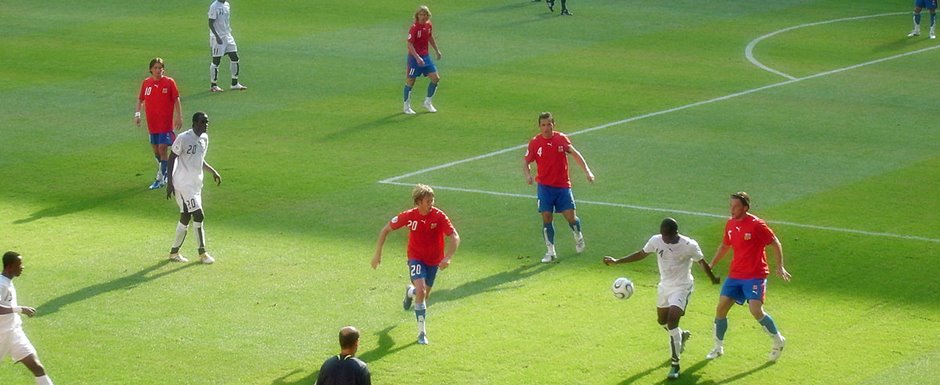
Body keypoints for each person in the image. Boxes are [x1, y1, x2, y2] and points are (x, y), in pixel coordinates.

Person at [603, 218, 720, 380]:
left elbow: (702, 262)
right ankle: (681, 335)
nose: (664, 238)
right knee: (662, 321)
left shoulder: (688, 245)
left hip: (682, 287)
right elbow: (641, 254)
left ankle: (675, 364)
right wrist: (617, 261)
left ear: (675, 233)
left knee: (672, 322)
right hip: (664, 287)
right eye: (663, 235)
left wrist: (712, 278)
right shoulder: (656, 240)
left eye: (667, 235)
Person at [705, 192, 791, 362]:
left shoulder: (756, 224)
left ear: (745, 207)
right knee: (721, 309)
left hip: (755, 275)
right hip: (735, 274)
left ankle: (778, 340)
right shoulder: (730, 224)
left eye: (736, 206)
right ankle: (717, 347)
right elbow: (724, 245)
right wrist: (712, 264)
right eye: (730, 206)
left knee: (755, 310)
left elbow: (775, 242)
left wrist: (779, 265)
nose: (732, 209)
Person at [371, 184, 460, 345]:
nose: (431, 203)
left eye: (432, 199)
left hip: (433, 261)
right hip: (416, 257)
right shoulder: (409, 216)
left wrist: (448, 257)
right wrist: (377, 254)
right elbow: (385, 230)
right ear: (418, 202)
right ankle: (421, 333)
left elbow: (454, 236)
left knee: (423, 295)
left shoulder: (439, 216)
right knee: (422, 290)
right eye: (428, 200)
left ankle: (410, 292)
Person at [522, 112, 595, 263]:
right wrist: (528, 175)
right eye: (543, 125)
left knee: (571, 218)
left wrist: (587, 171)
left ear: (553, 125)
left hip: (562, 187)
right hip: (544, 188)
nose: (546, 128)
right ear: (539, 126)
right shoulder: (535, 142)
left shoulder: (561, 139)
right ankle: (550, 251)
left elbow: (575, 154)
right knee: (546, 218)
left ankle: (578, 235)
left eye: (549, 124)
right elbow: (526, 161)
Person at [166, 112, 222, 264]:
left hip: (196, 185)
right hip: (183, 184)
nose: (206, 124)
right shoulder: (183, 138)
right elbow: (172, 158)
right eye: (203, 122)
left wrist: (213, 171)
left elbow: (199, 160)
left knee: (185, 217)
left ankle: (174, 253)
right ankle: (202, 253)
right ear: (195, 123)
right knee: (198, 215)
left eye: (207, 121)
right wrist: (169, 182)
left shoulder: (204, 138)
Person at [0, 251, 55, 385]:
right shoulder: (1, 284)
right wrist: (20, 309)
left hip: (14, 333)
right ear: (10, 266)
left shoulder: (7, 281)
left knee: (37, 367)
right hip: (1, 335)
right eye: (20, 264)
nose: (22, 267)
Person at [135, 57, 183, 190]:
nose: (158, 70)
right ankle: (166, 170)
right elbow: (140, 99)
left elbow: (176, 99)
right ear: (151, 69)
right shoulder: (146, 83)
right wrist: (137, 114)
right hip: (152, 124)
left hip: (165, 123)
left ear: (163, 69)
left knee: (162, 148)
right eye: (155, 68)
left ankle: (160, 178)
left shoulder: (169, 82)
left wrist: (179, 116)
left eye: (160, 68)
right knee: (156, 150)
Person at [402, 5, 443, 115]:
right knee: (411, 81)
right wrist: (417, 57)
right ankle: (406, 106)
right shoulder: (414, 28)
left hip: (425, 57)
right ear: (417, 15)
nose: (423, 16)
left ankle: (427, 102)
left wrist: (437, 50)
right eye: (421, 14)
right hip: (414, 58)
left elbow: (430, 37)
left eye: (425, 14)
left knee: (435, 78)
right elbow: (409, 44)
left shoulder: (429, 25)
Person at [208, 0, 248, 92]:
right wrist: (217, 36)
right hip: (217, 37)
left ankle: (234, 83)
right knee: (216, 61)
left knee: (235, 57)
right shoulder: (214, 6)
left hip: (227, 35)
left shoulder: (227, 5)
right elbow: (210, 23)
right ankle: (213, 85)